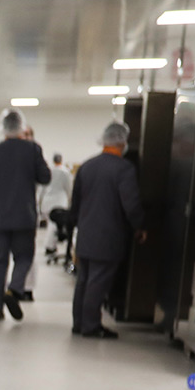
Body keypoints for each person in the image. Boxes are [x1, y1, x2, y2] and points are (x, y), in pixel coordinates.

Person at [69, 122, 145, 339]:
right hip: (108, 236)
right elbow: (131, 204)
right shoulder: (124, 169)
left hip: (86, 234)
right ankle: (91, 326)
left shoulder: (86, 166)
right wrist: (140, 226)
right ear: (122, 142)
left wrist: (75, 225)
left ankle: (79, 323)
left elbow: (75, 203)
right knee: (98, 282)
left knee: (84, 280)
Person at [0, 109, 50, 321]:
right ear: (22, 127)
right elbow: (45, 177)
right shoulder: (33, 149)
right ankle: (14, 289)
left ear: (2, 128)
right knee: (24, 257)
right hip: (24, 216)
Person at [42, 153, 75, 269]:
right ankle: (50, 247)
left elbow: (43, 187)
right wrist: (71, 202)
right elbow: (69, 188)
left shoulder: (49, 171)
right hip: (59, 201)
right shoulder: (65, 172)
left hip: (47, 201)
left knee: (51, 225)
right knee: (54, 227)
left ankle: (50, 246)